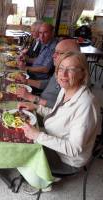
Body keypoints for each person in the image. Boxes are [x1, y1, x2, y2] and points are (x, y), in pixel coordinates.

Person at [18, 51, 100, 193]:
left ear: (82, 73)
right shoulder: (66, 89)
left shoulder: (86, 104)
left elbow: (74, 149)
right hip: (55, 138)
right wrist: (37, 107)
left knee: (20, 149)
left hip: (67, 160)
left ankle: (43, 182)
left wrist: (38, 136)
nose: (63, 74)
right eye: (61, 68)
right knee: (19, 134)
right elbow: (57, 115)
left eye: (71, 69)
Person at [16, 39, 80, 108]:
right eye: (55, 52)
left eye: (59, 53)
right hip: (40, 101)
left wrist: (32, 98)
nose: (53, 56)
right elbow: (48, 84)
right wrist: (26, 81)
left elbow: (63, 108)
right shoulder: (59, 68)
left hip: (45, 111)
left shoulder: (72, 77)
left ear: (72, 56)